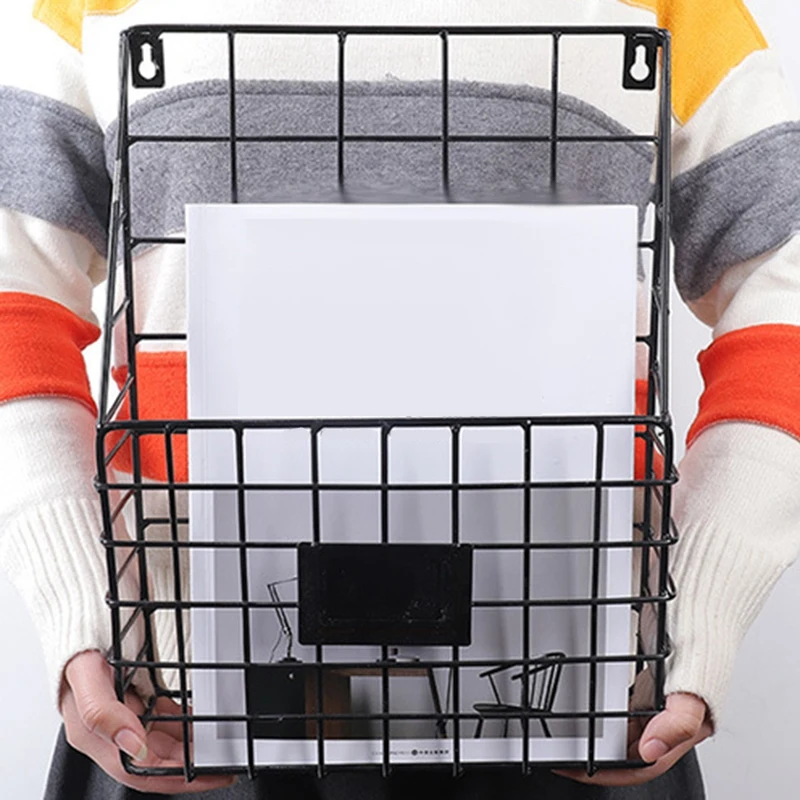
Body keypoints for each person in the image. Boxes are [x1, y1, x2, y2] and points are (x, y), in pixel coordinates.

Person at [1, 0, 798, 797]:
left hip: (583, 694)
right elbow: (15, 289)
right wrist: (77, 601)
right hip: (181, 702)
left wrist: (703, 598)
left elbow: (785, 275)